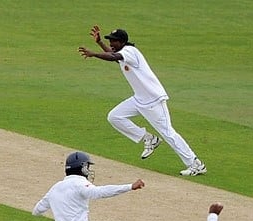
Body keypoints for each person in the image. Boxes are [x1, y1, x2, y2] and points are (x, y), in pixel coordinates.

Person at [78, 26, 206, 177]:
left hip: (153, 100)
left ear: (123, 41)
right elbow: (113, 55)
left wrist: (93, 54)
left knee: (169, 133)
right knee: (115, 116)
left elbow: (113, 57)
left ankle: (196, 164)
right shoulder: (123, 53)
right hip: (139, 99)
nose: (111, 43)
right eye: (110, 40)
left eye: (114, 41)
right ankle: (149, 139)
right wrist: (99, 42)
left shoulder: (130, 51)